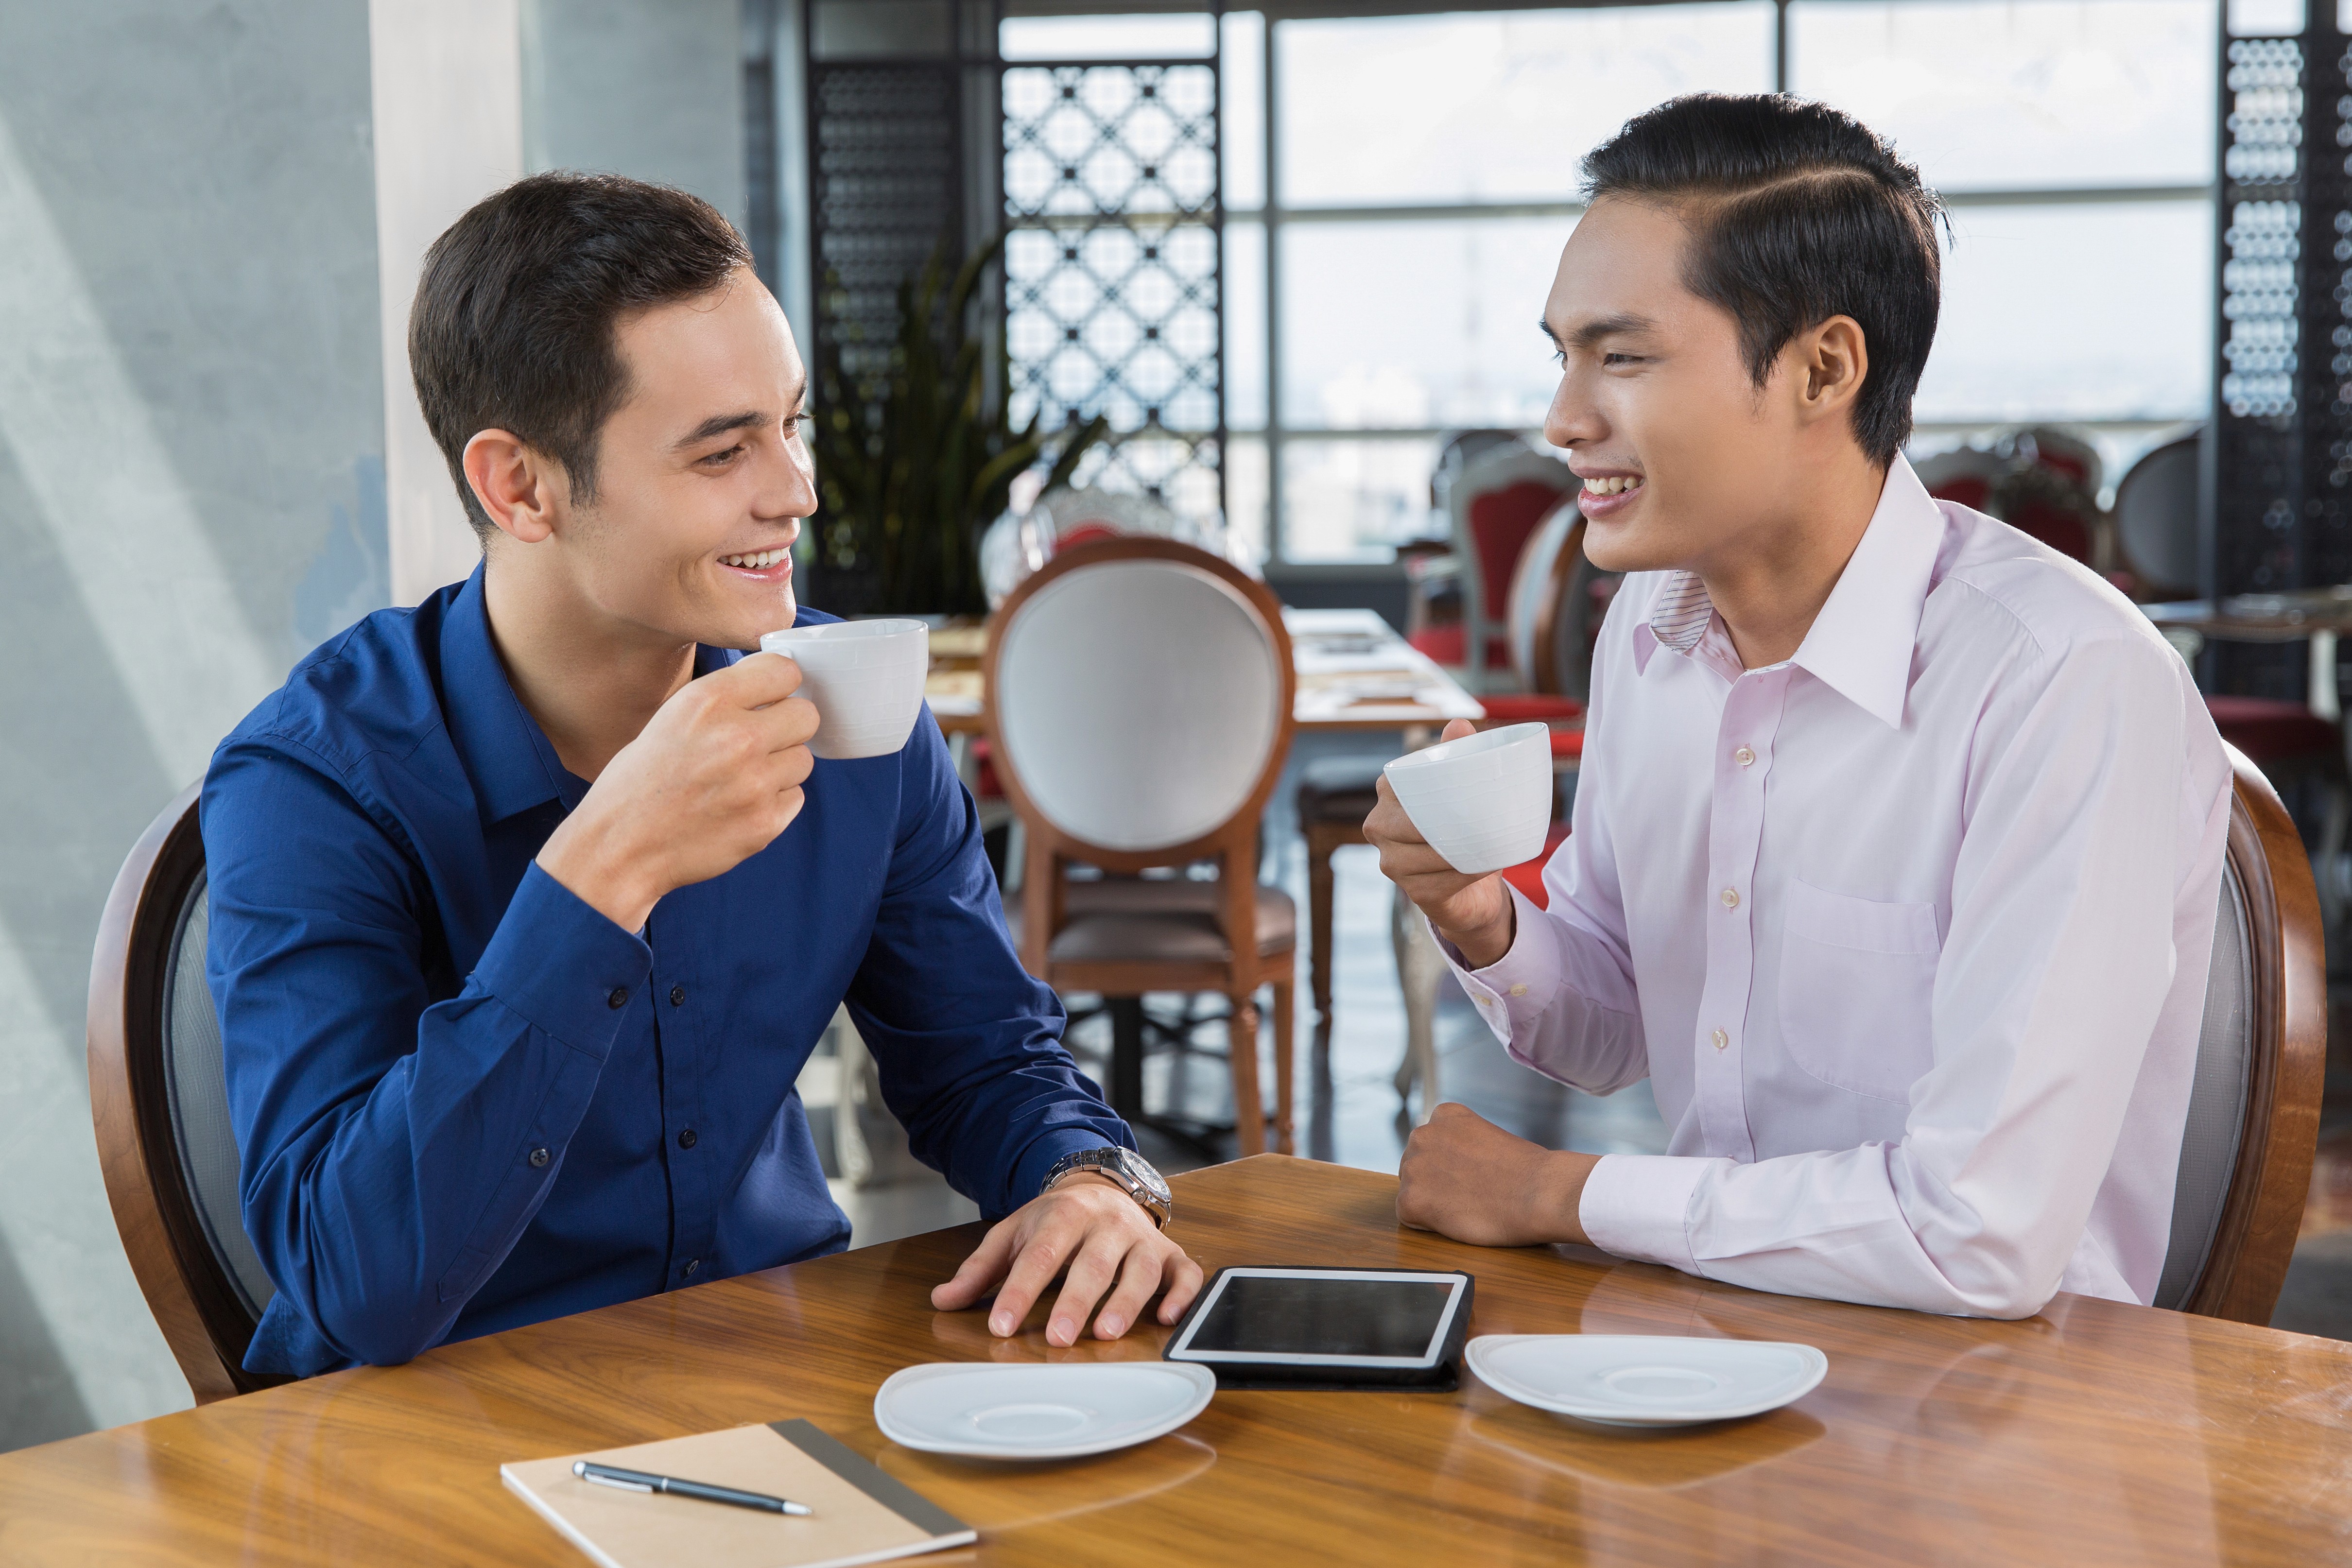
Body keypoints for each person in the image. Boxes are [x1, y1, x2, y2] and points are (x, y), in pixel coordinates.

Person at [203, 173, 1195, 1376]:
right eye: (723, 450)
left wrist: (1084, 1181)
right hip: (433, 1430)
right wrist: (601, 871)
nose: (795, 492)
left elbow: (988, 1061)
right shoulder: (310, 783)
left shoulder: (850, 710)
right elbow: (355, 1283)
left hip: (764, 1381)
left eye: (791, 425)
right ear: (520, 486)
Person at [1367, 94, 2228, 1319]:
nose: (1562, 420)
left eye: (1621, 357)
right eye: (1562, 356)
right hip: (1708, 1335)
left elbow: (1976, 1236)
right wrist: (1481, 916)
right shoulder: (1650, 633)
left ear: (1823, 368)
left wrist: (1556, 1193)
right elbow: (1617, 1026)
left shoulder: (2060, 680)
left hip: (2002, 1390)